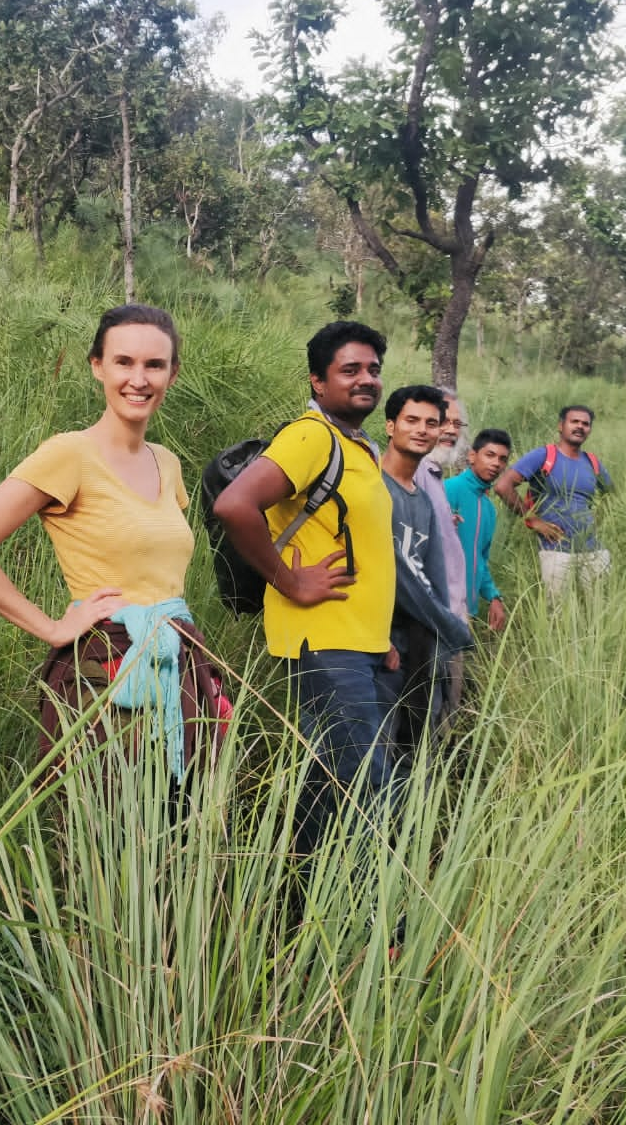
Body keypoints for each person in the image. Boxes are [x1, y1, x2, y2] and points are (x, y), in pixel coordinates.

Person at [0, 304, 222, 784]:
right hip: (107, 662)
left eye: (155, 365)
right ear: (97, 366)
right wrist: (50, 628)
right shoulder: (70, 454)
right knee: (109, 833)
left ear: (173, 374)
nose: (139, 379)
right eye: (123, 362)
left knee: (181, 828)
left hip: (179, 659)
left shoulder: (167, 463)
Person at [211, 321, 396, 861]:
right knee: (366, 784)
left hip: (354, 642)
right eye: (350, 370)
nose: (366, 379)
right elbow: (234, 506)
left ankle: (302, 902)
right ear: (318, 381)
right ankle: (373, 930)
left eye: (373, 370)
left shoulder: (359, 447)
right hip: (323, 639)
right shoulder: (311, 436)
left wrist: (378, 638)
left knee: (330, 781)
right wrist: (290, 580)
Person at [378, 386, 472, 746]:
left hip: (422, 642)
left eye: (432, 423)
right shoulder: (374, 487)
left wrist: (444, 635)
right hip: (381, 645)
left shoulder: (426, 501)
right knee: (374, 748)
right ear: (390, 426)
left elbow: (432, 577)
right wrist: (452, 628)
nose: (423, 430)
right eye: (412, 420)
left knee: (416, 744)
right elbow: (389, 573)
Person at [494, 405, 613, 598]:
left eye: (586, 424)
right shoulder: (544, 456)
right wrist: (533, 520)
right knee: (556, 614)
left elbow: (611, 494)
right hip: (556, 550)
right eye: (574, 421)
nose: (580, 427)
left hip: (594, 550)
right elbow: (503, 486)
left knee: (599, 611)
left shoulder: (592, 462)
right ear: (561, 426)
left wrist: (598, 521)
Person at [444, 428, 513, 631]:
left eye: (502, 459)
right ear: (472, 456)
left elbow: (479, 559)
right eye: (489, 455)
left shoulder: (488, 509)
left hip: (467, 613)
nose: (496, 463)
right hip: (440, 608)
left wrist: (493, 596)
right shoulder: (448, 489)